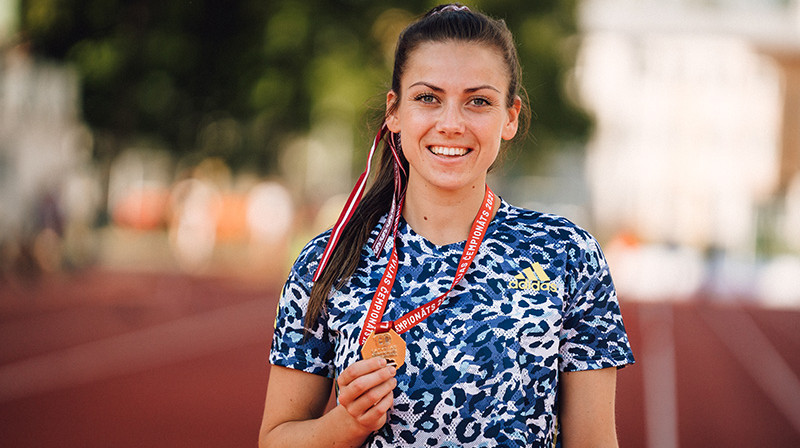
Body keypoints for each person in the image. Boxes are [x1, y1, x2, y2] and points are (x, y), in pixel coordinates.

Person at [259, 4, 634, 447]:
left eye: (478, 101)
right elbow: (275, 439)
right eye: (427, 98)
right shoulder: (328, 262)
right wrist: (345, 425)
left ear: (509, 117)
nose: (451, 124)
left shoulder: (567, 255)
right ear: (394, 113)